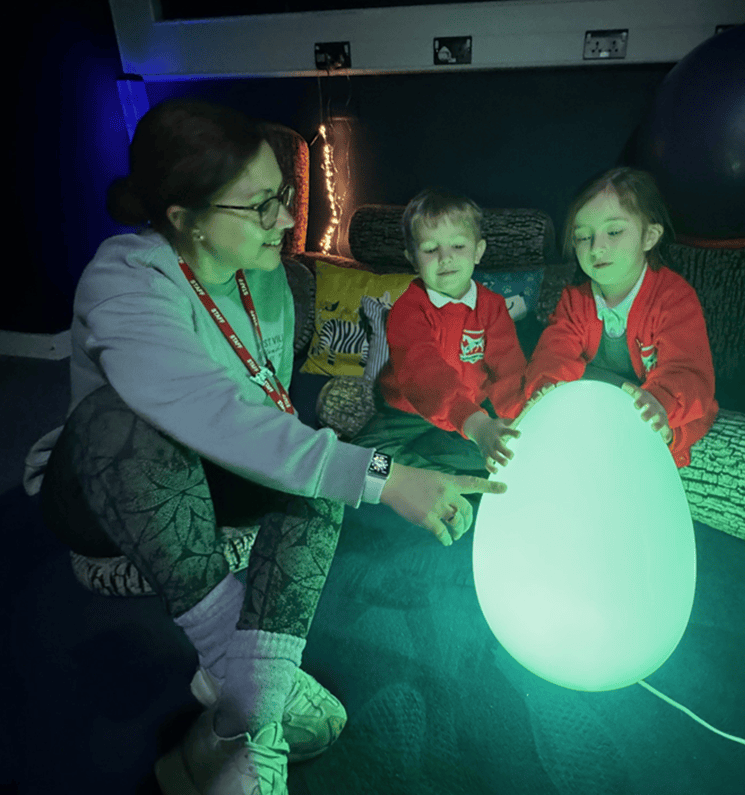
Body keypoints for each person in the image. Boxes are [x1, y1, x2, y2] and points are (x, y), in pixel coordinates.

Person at [31, 100, 506, 795]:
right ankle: (241, 666)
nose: (286, 219)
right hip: (104, 494)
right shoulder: (123, 280)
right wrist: (384, 475)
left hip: (213, 473)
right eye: (260, 206)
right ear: (186, 218)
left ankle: (247, 717)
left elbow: (266, 419)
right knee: (119, 416)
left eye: (281, 195)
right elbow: (209, 410)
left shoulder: (270, 279)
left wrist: (353, 467)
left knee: (317, 465)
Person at [524, 167, 718, 467]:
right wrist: (546, 392)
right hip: (597, 403)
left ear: (649, 236)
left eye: (613, 232)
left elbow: (689, 372)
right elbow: (553, 354)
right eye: (583, 237)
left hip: (655, 408)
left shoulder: (673, 298)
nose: (596, 247)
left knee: (692, 417)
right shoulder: (575, 300)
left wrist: (659, 402)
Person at [352, 188, 526, 477]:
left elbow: (508, 368)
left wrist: (518, 418)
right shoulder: (408, 309)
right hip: (408, 412)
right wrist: (475, 423)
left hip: (470, 411)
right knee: (361, 460)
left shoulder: (493, 306)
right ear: (412, 258)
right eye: (431, 249)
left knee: (506, 451)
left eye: (458, 246)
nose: (445, 258)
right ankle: (436, 476)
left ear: (478, 251)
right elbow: (424, 373)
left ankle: (431, 468)